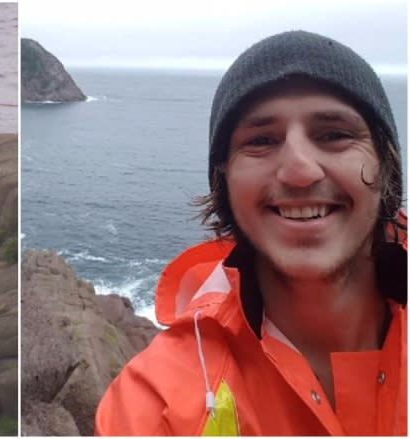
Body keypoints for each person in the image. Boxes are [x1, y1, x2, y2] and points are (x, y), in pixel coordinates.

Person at [95, 30, 406, 436]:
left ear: (387, 164)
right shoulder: (153, 407)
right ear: (223, 179)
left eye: (335, 135)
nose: (299, 170)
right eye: (260, 140)